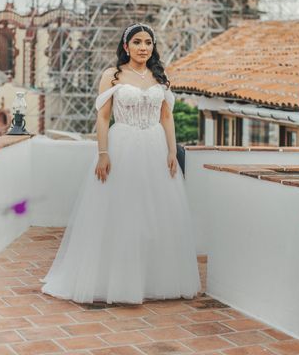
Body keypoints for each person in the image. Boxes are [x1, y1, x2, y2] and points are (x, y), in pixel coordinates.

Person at [41, 23, 201, 304]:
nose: (143, 47)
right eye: (137, 42)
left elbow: (166, 117)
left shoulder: (160, 77)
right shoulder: (111, 76)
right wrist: (103, 153)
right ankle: (113, 280)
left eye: (148, 42)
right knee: (120, 213)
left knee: (156, 217)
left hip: (154, 147)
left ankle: (153, 279)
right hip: (122, 144)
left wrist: (171, 150)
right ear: (126, 46)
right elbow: (103, 118)